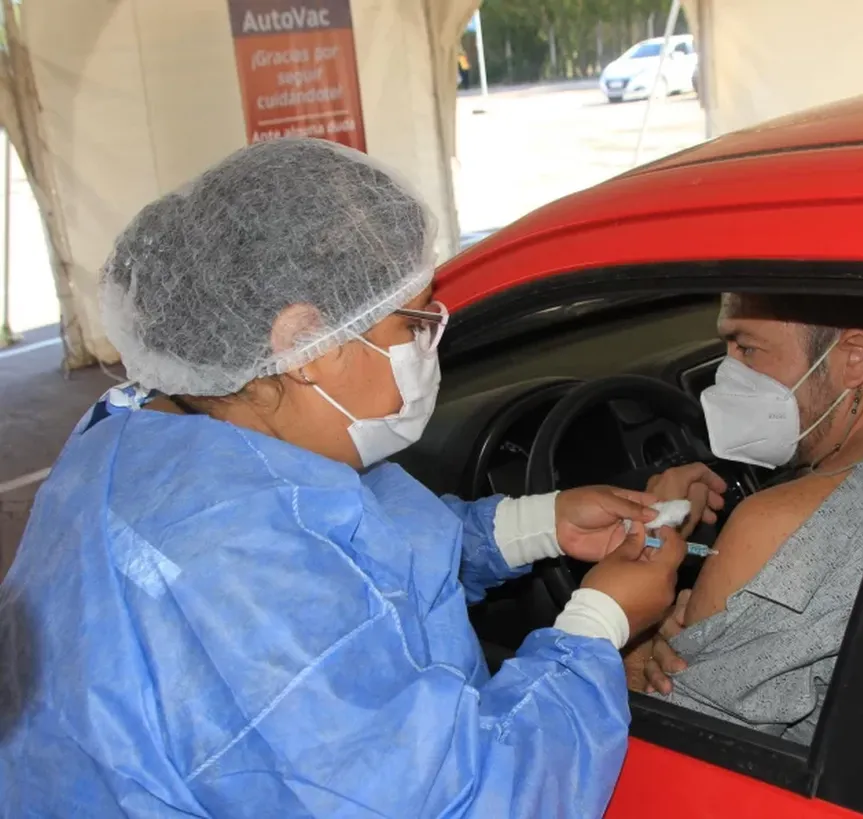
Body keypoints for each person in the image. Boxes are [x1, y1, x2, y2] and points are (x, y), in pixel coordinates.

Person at [0, 139, 722, 818]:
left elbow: (350, 544)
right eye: (412, 323)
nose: (429, 343)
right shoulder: (227, 573)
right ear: (303, 344)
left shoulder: (171, 427)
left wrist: (533, 524)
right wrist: (598, 625)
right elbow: (465, 801)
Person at [629, 292, 863, 744]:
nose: (725, 375)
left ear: (854, 357)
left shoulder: (778, 524)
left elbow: (676, 744)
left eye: (747, 348)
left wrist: (639, 641)